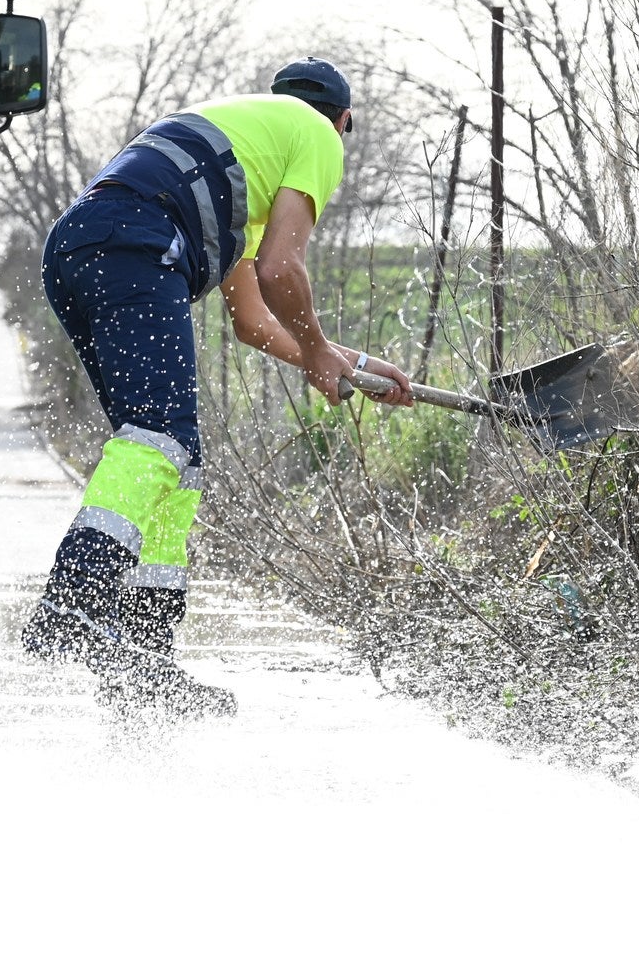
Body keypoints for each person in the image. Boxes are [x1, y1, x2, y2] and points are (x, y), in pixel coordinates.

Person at [21, 58, 415, 717]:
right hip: (135, 243)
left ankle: (143, 661)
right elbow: (284, 269)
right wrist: (320, 351)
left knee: (173, 460)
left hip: (81, 248)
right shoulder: (316, 134)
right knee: (161, 437)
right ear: (343, 120)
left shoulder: (244, 149)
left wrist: (354, 364)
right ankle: (74, 599)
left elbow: (253, 320)